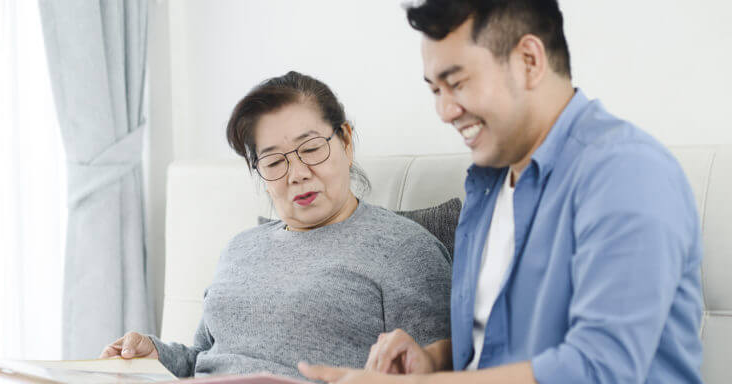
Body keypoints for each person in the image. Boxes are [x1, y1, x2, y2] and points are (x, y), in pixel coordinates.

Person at [299, 1, 704, 383]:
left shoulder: (626, 172)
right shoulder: (488, 184)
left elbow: (598, 368)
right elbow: (506, 343)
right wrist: (433, 360)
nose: (444, 111)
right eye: (435, 90)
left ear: (529, 61)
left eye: (456, 83)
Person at [100, 71, 452, 380]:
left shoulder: (405, 249)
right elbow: (203, 359)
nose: (297, 174)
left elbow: (433, 372)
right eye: (273, 162)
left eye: (312, 149)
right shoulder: (239, 248)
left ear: (345, 140)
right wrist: (156, 355)